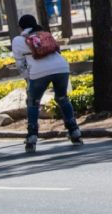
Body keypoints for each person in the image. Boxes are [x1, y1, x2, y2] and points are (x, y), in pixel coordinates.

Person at [12, 14, 82, 149]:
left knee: (33, 102)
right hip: (62, 67)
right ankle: (74, 131)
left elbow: (20, 65)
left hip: (38, 72)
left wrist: (28, 78)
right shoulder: (45, 34)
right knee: (62, 98)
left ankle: (32, 136)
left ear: (21, 27)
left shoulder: (18, 40)